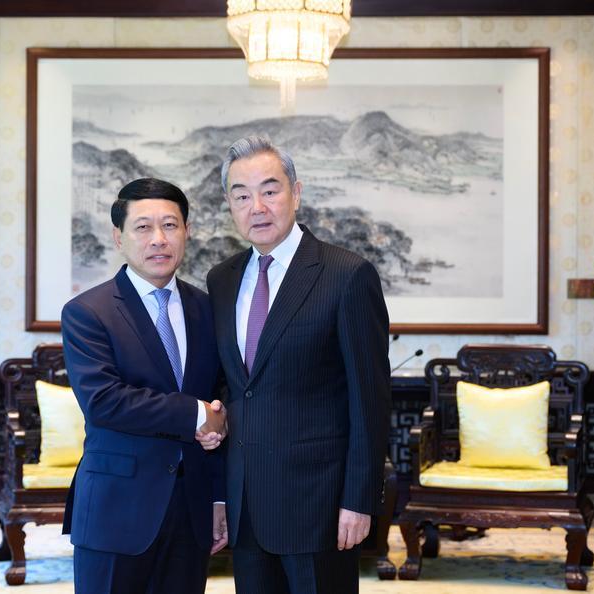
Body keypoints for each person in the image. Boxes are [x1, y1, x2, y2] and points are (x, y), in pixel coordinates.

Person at [205, 136, 391, 594]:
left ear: (296, 193)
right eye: (241, 196)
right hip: (247, 506)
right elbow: (230, 390)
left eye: (270, 190)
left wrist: (360, 500)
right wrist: (220, 496)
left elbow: (369, 401)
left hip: (318, 506)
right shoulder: (222, 279)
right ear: (229, 204)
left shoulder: (346, 275)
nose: (257, 207)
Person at [61, 177, 228, 594]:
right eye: (143, 227)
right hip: (116, 510)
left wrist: (219, 497)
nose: (158, 239)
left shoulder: (209, 309)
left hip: (191, 510)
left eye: (170, 225)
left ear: (187, 232)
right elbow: (104, 401)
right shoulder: (87, 312)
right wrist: (196, 414)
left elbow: (224, 396)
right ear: (119, 237)